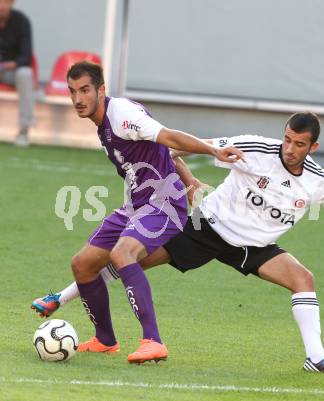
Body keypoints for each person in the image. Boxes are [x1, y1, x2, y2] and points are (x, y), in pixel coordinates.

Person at [33, 112, 324, 373]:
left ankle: (316, 357)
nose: (289, 148)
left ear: (313, 147)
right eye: (287, 139)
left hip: (254, 248)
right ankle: (60, 297)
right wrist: (187, 180)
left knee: (303, 279)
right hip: (207, 228)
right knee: (129, 259)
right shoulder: (255, 148)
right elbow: (180, 146)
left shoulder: (318, 181)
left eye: (299, 143)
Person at [31, 60, 244, 364]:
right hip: (136, 205)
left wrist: (212, 152)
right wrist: (190, 181)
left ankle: (153, 341)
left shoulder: (123, 117)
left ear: (101, 90)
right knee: (82, 265)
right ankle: (105, 340)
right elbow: (162, 153)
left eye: (85, 90)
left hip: (164, 205)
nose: (78, 99)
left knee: (122, 254)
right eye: (72, 91)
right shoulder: (102, 127)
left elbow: (168, 137)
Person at [0, 0, 34, 146]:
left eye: (6, 1)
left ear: (12, 3)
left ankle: (24, 131)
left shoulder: (22, 21)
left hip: (10, 71)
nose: (2, 5)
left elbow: (26, 56)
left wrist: (7, 64)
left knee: (25, 74)